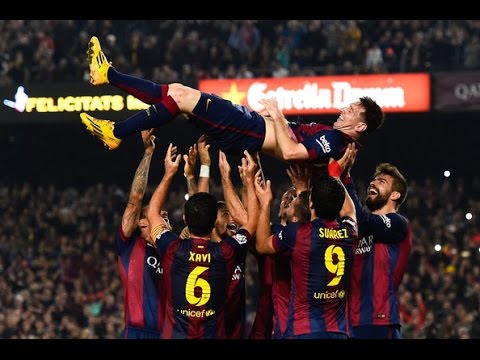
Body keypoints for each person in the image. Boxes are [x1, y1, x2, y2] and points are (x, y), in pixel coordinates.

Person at [80, 36, 384, 166]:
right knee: (176, 91)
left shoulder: (339, 143)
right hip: (250, 129)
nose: (345, 108)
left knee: (181, 95)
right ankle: (108, 76)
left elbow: (292, 154)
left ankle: (117, 130)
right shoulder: (339, 143)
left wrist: (277, 115)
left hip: (249, 132)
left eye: (353, 110)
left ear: (360, 125)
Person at [146, 143, 259, 339]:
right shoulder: (227, 252)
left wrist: (169, 173)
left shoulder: (172, 248)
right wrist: (247, 180)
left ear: (186, 221)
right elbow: (251, 222)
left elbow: (153, 212)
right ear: (214, 221)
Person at [253, 152, 358, 339]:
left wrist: (265, 203)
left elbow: (262, 245)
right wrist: (335, 175)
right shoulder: (350, 233)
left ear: (311, 203)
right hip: (339, 331)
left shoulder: (298, 233)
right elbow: (350, 210)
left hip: (304, 330)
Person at [339, 144, 412, 339]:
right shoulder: (356, 230)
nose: (373, 183)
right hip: (347, 324)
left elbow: (363, 220)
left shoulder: (398, 224)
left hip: (380, 322)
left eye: (381, 181)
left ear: (395, 195)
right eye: (373, 180)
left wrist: (345, 177)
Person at [116, 129, 168, 339]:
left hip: (168, 334)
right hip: (136, 333)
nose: (163, 215)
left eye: (164, 214)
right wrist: (148, 153)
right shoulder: (130, 244)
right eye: (155, 213)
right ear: (141, 222)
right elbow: (135, 199)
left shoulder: (172, 249)